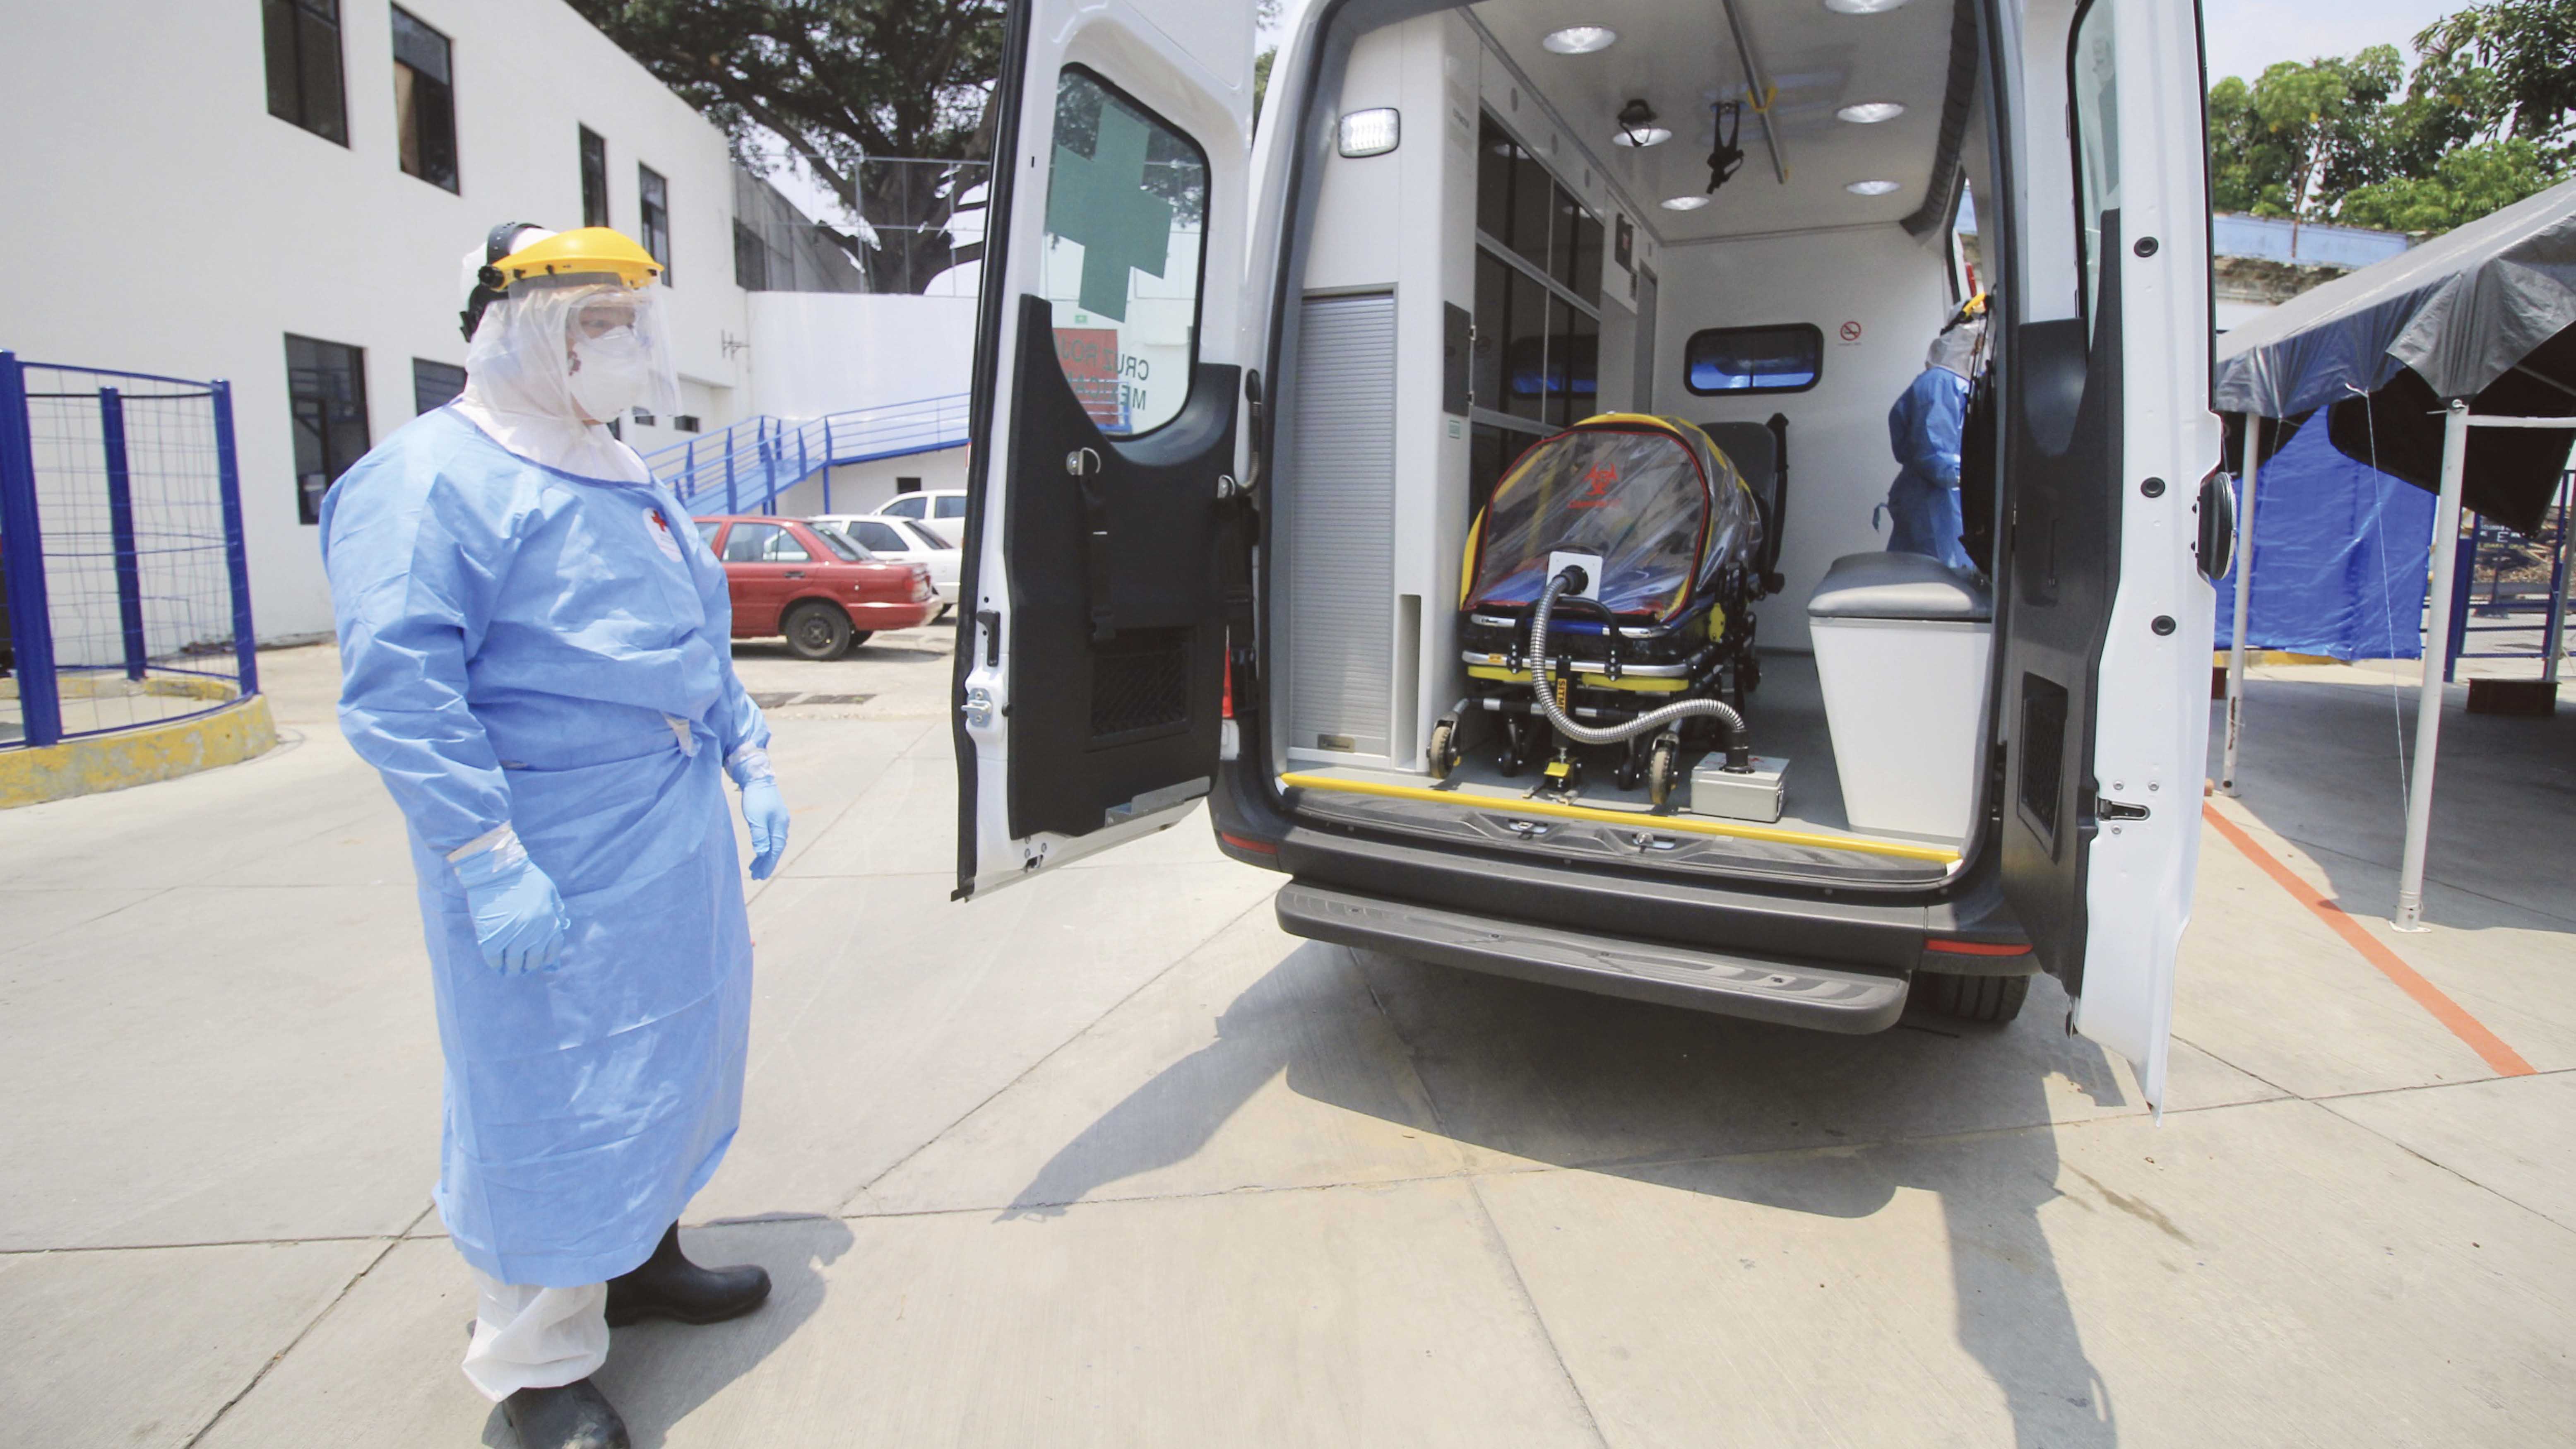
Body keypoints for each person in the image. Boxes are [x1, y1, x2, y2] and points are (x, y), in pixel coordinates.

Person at [321, 224, 792, 1449]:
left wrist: (749, 752)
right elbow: (401, 691)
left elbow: (690, 632)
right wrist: (483, 855)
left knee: (669, 1060)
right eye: (594, 321)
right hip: (546, 842)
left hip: (666, 830)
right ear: (512, 323)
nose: (623, 347)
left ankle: (640, 1257)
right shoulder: (430, 477)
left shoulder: (617, 467)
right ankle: (532, 1364)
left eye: (632, 319)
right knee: (549, 1090)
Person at [1879, 295, 1988, 571]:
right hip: (1936, 503)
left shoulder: (1956, 384)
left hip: (1944, 500)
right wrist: (1979, 475)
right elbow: (1934, 458)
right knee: (1940, 574)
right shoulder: (1940, 384)